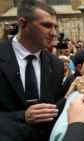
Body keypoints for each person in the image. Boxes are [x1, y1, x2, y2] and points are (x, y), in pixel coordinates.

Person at [0, 0, 66, 140]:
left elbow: (55, 109)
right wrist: (23, 116)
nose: (54, 33)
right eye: (47, 25)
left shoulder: (56, 65)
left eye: (55, 26)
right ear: (24, 24)